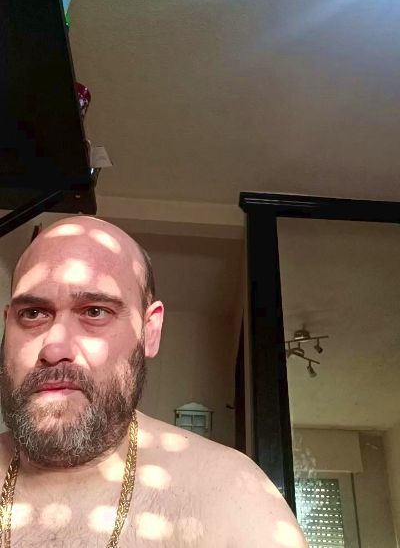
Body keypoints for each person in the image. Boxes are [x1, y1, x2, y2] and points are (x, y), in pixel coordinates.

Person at [0, 215, 307, 547]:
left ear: (150, 331)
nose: (54, 349)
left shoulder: (233, 497)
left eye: (94, 311)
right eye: (33, 313)